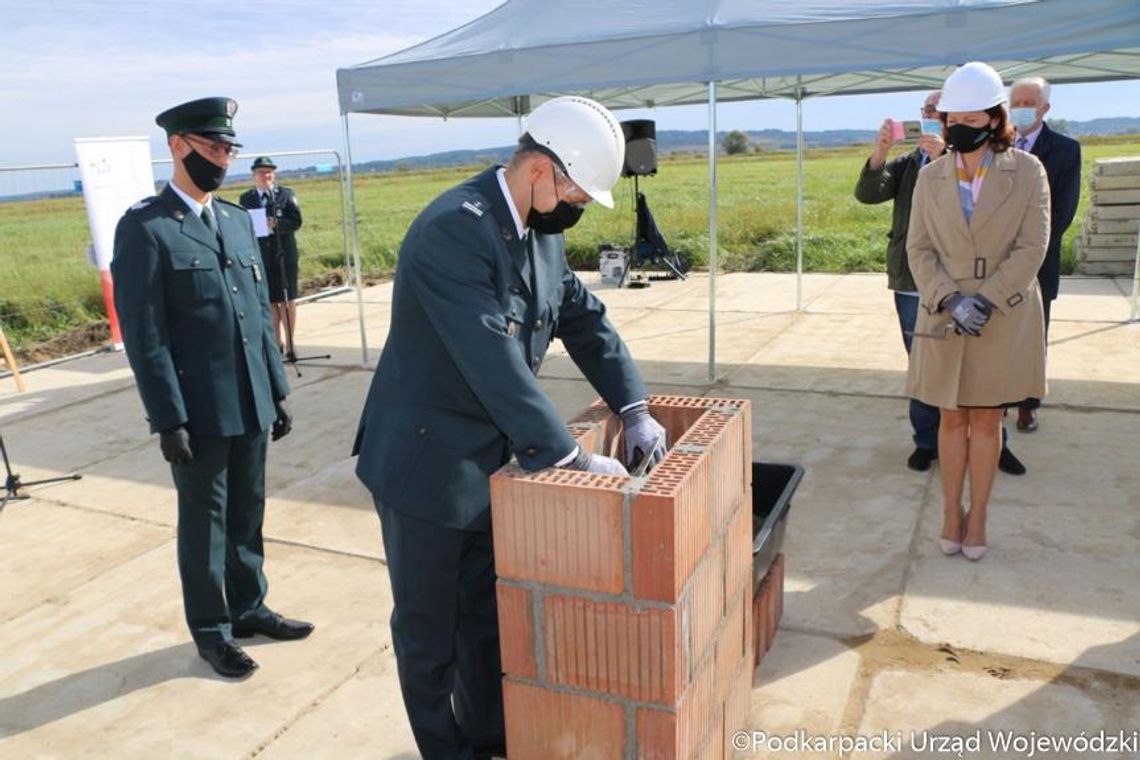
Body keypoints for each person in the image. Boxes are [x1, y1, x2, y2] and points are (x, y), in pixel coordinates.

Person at [352, 95, 667, 760]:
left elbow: (584, 319)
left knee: (484, 622)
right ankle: (446, 750)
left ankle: (492, 739)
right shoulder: (453, 230)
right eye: (577, 192)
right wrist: (570, 458)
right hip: (426, 470)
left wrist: (633, 408)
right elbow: (492, 361)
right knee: (429, 633)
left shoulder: (539, 234)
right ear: (538, 173)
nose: (578, 207)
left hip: (487, 463)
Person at [112, 97, 313, 680]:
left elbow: (254, 312)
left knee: (248, 511)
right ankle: (211, 631)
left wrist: (275, 389)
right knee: (206, 522)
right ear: (179, 146)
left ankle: (248, 607)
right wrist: (166, 419)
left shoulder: (232, 219)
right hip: (197, 409)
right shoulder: (146, 229)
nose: (224, 159)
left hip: (250, 396)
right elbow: (147, 336)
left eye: (229, 149)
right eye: (213, 147)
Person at [906, 62, 1050, 561]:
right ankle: (950, 513)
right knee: (949, 420)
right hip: (945, 313)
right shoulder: (931, 177)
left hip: (1002, 313)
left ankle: (979, 516)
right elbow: (918, 249)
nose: (960, 128)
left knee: (987, 422)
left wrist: (986, 299)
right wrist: (949, 298)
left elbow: (1034, 247)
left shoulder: (1027, 171)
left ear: (994, 119)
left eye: (972, 119)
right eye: (953, 119)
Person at [855, 91, 1026, 476]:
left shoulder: (981, 165)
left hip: (971, 282)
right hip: (915, 281)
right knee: (925, 365)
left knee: (986, 366)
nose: (932, 117)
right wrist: (880, 150)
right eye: (927, 111)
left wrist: (941, 160)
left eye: (939, 112)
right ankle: (926, 442)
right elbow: (868, 194)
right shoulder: (906, 165)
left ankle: (995, 443)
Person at [1008, 77, 1082, 432]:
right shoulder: (997, 146)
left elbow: (1063, 212)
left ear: (1045, 108)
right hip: (995, 261)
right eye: (1015, 102)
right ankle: (998, 398)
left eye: (1028, 102)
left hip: (1039, 259)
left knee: (1034, 335)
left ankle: (1028, 403)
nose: (1020, 108)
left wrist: (1027, 251)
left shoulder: (1065, 150)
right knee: (999, 335)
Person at [239, 156, 304, 359]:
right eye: (261, 173)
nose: (265, 176)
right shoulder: (246, 198)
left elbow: (296, 221)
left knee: (287, 299)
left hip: (284, 255)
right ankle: (276, 345)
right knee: (269, 301)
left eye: (269, 172)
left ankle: (291, 343)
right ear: (253, 176)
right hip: (262, 256)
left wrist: (278, 224)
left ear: (273, 175)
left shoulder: (285, 194)